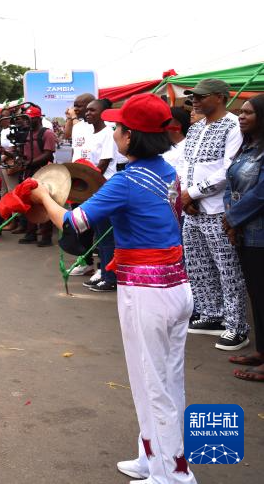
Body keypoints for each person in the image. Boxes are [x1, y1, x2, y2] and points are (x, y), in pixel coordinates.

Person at [28, 94, 196, 484]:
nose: (114, 132)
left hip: (149, 292)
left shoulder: (129, 179)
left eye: (118, 127)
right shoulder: (165, 171)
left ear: (130, 137)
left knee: (154, 385)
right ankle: (154, 457)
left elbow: (74, 224)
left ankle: (173, 476)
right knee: (162, 381)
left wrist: (42, 196)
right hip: (173, 285)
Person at [180, 78, 249, 350]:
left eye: (201, 96)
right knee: (198, 266)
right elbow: (185, 165)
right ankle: (212, 315)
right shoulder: (196, 128)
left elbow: (228, 170)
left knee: (228, 270)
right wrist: (185, 196)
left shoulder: (233, 126)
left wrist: (192, 193)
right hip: (192, 210)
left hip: (219, 211)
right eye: (193, 96)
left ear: (220, 97)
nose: (194, 101)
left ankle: (237, 327)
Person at [224, 94, 264, 382]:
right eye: (241, 112)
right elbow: (231, 185)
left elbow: (261, 194)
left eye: (248, 113)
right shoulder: (247, 149)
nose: (241, 116)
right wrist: (230, 220)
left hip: (260, 234)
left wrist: (233, 218)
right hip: (242, 233)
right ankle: (262, 351)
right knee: (256, 296)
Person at [81, 99, 118, 292]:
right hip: (93, 190)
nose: (88, 113)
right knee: (100, 237)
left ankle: (111, 277)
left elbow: (102, 165)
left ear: (104, 113)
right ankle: (103, 273)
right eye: (86, 110)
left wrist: (84, 182)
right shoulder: (91, 134)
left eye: (92, 110)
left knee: (107, 236)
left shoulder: (108, 135)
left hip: (105, 188)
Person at [17, 105, 57, 247]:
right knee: (29, 202)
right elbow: (24, 153)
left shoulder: (47, 133)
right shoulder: (26, 134)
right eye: (26, 119)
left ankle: (46, 236)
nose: (27, 122)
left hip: (44, 171)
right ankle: (30, 233)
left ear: (38, 118)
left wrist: (30, 162)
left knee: (44, 203)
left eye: (30, 119)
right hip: (29, 171)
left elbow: (48, 153)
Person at [65, 93, 97, 160]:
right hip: (78, 168)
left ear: (91, 106)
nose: (75, 109)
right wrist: (69, 118)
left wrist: (73, 117)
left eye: (79, 106)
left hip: (93, 169)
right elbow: (67, 136)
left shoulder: (99, 126)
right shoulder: (77, 126)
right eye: (74, 106)